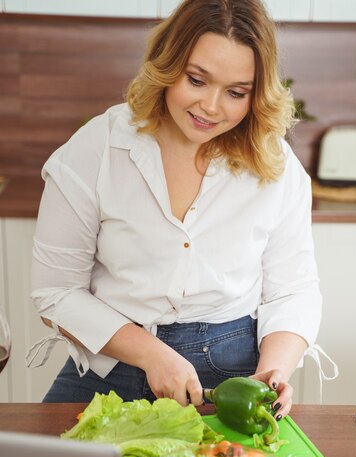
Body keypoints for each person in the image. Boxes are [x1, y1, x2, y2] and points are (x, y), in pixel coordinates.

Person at [26, 0, 332, 416]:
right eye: (196, 80)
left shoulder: (276, 166)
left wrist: (273, 372)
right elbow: (56, 291)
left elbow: (293, 290)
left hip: (234, 371)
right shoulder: (96, 149)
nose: (211, 106)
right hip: (112, 361)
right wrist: (151, 354)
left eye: (236, 92)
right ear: (167, 66)